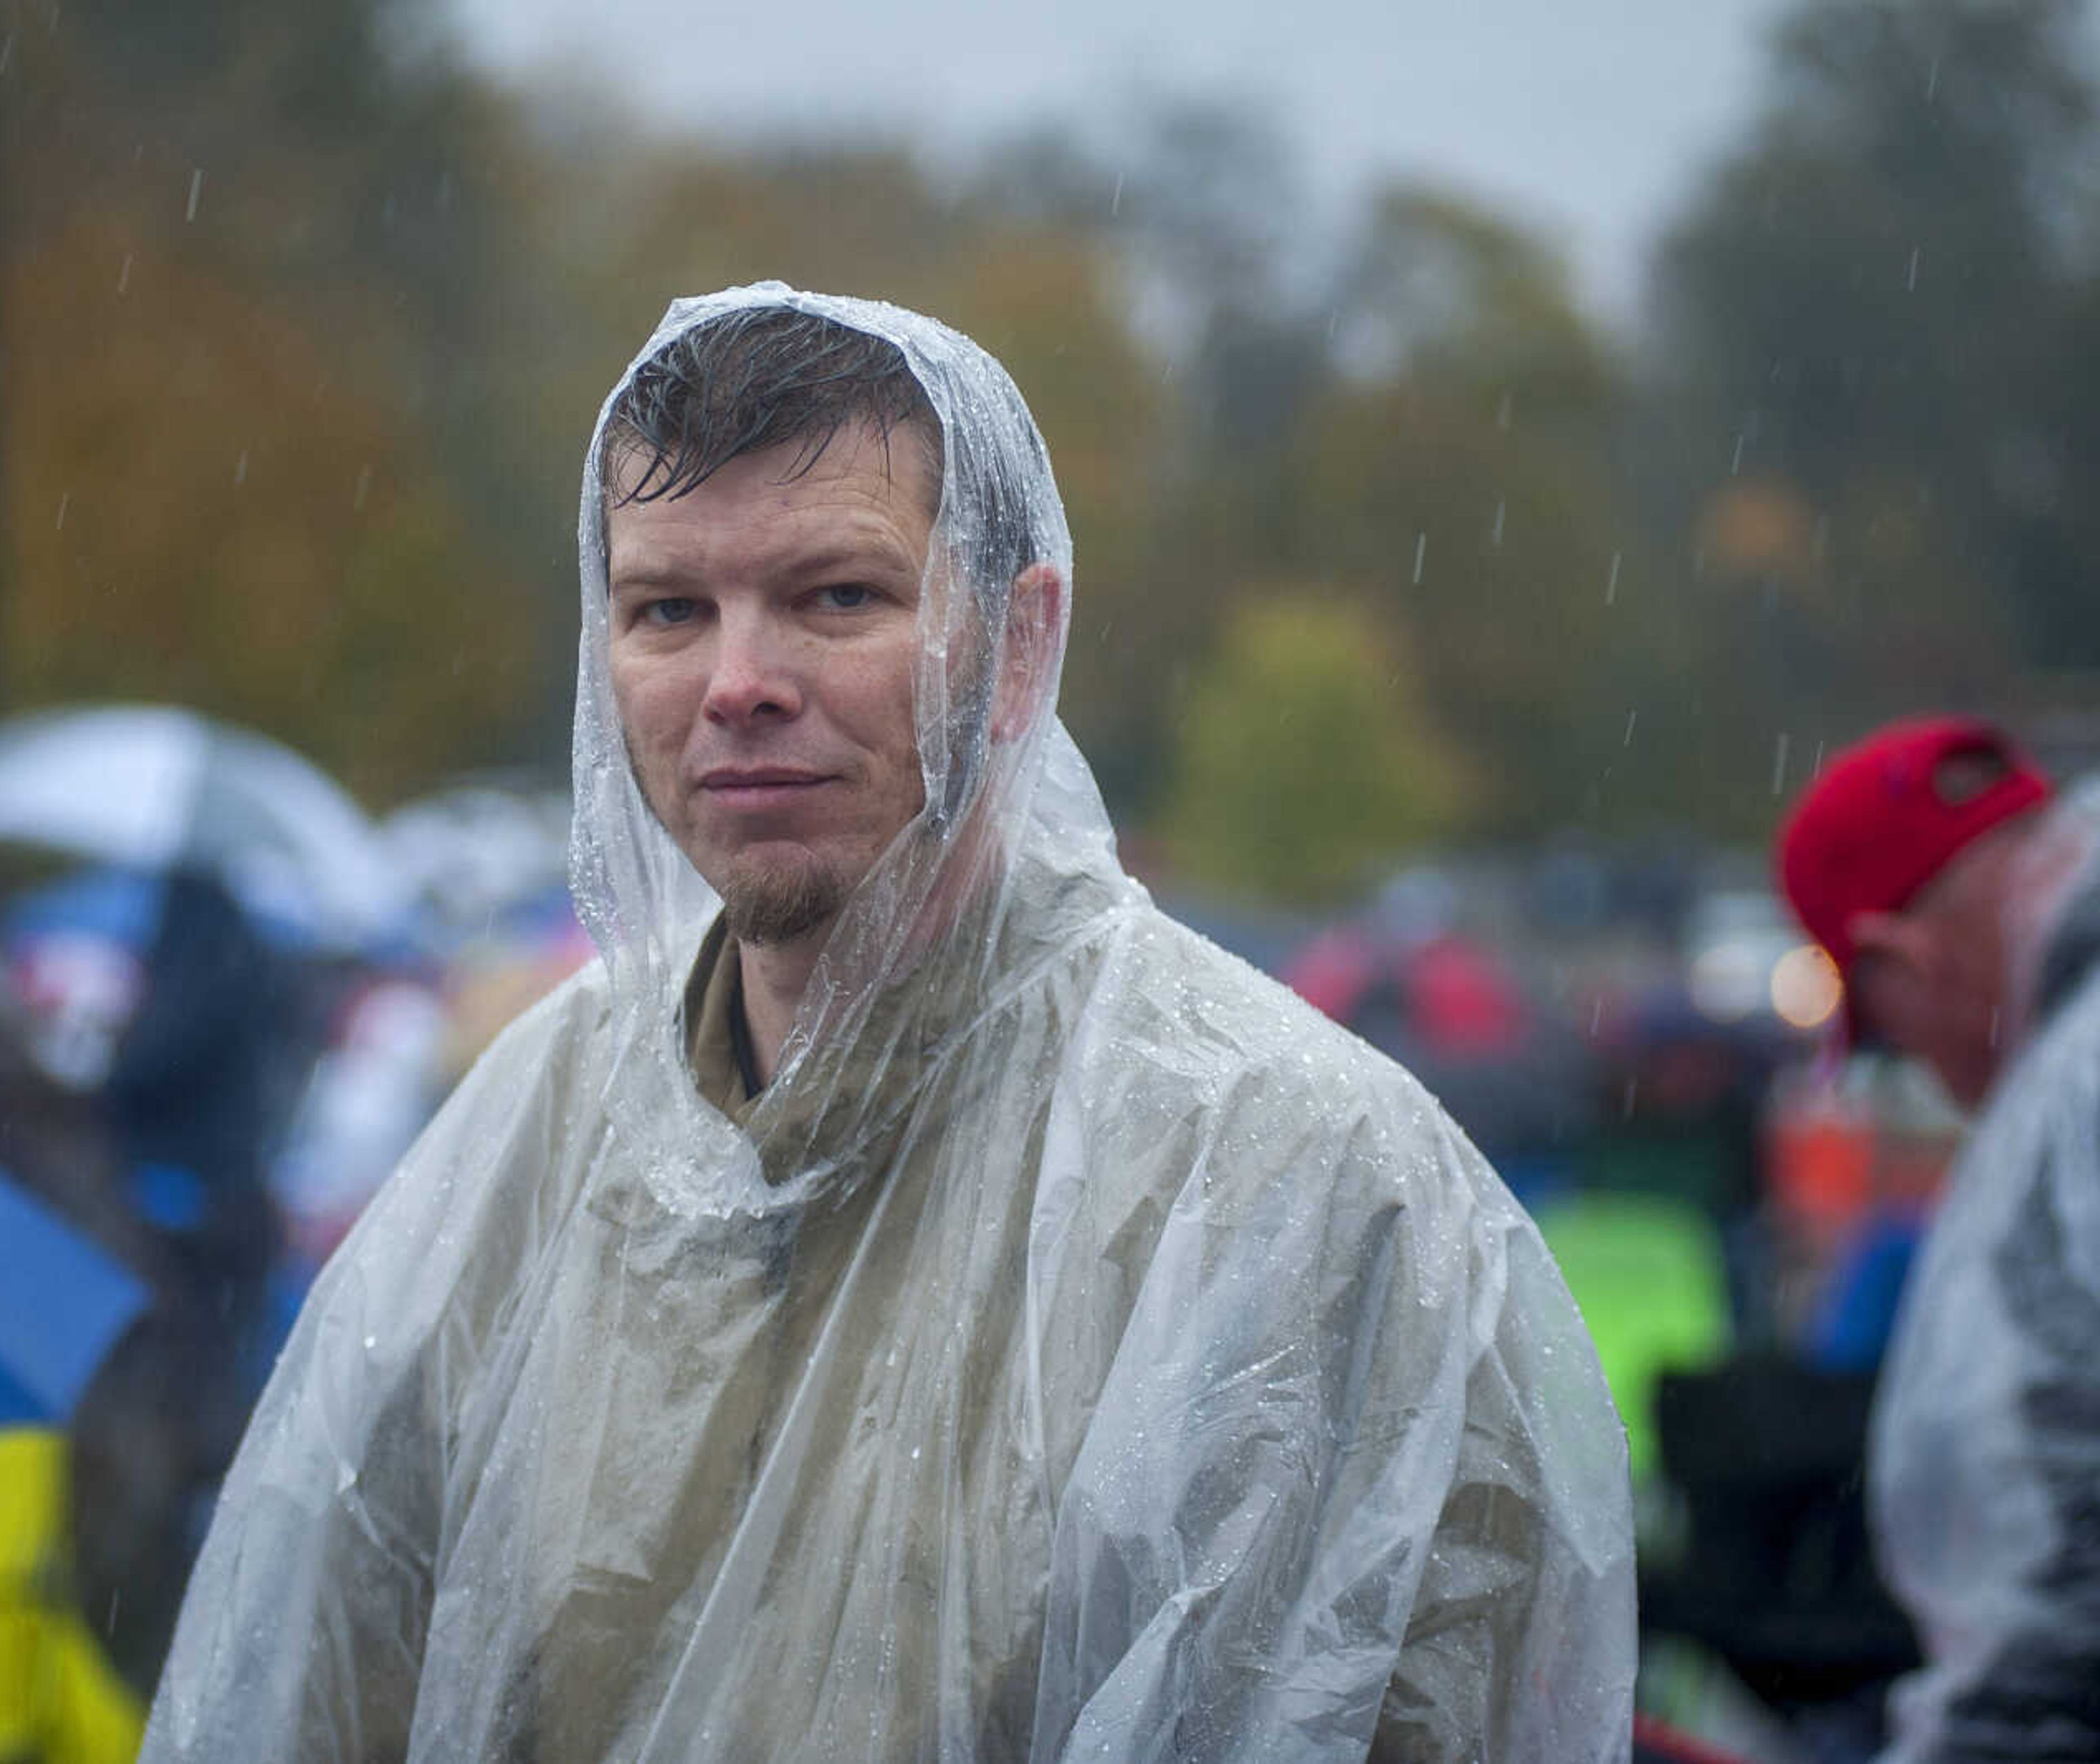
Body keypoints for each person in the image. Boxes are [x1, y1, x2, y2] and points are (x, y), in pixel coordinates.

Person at [141, 284, 1634, 1761]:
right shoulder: (531, 1136)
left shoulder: (1286, 1180)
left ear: (1020, 642)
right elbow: (315, 1680)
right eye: (669, 608)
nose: (737, 685)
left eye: (835, 596)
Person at [1776, 714, 2100, 1764]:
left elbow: (2049, 1585)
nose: (1922, 1076)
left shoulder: (2072, 1092)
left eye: (1885, 1036)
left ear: (1893, 956)